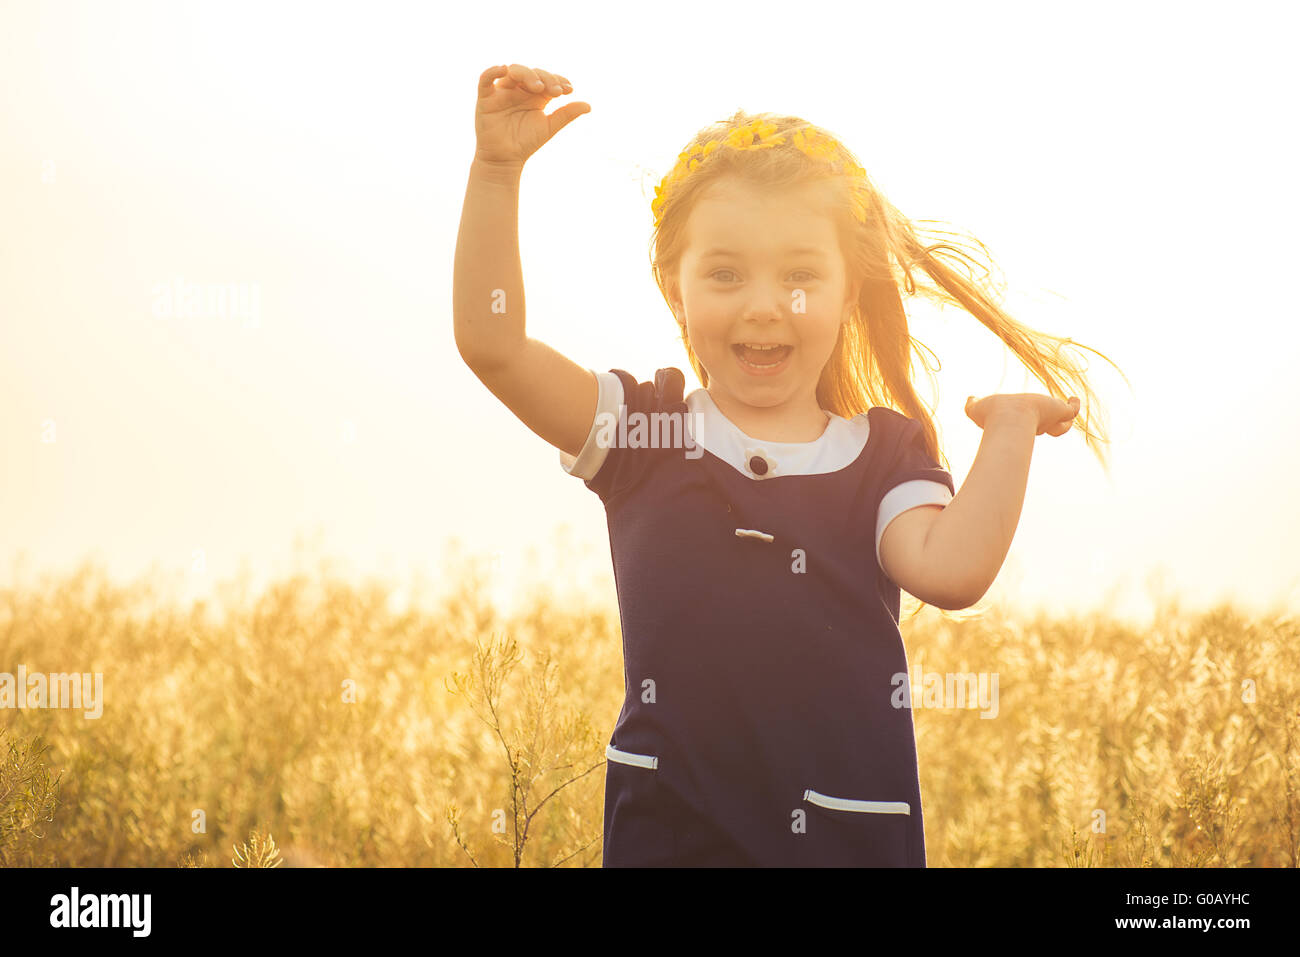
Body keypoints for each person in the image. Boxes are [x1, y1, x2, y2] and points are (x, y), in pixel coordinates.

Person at [453, 63, 1119, 866]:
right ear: (676, 288)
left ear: (847, 294)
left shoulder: (881, 456)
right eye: (726, 274)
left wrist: (1008, 432)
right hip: (671, 839)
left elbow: (952, 570)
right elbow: (492, 347)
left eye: (801, 276)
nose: (766, 304)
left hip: (845, 841)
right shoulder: (640, 434)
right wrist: (497, 170)